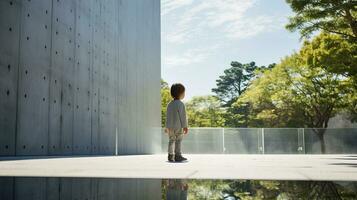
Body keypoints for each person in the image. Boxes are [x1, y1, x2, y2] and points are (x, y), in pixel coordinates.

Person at [165, 83, 188, 162]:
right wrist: (185, 126)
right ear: (180, 93)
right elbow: (183, 116)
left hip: (170, 126)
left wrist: (166, 127)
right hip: (178, 126)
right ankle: (178, 155)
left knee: (171, 140)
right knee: (178, 140)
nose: (184, 94)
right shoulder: (180, 104)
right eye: (184, 92)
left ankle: (170, 155)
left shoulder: (169, 104)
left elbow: (167, 116)